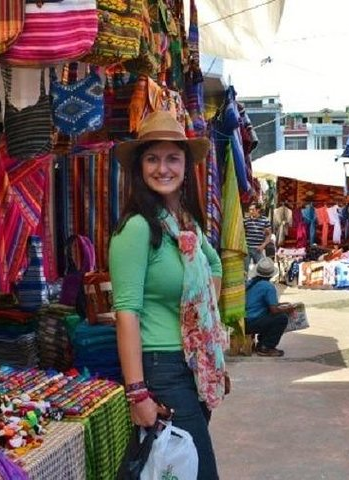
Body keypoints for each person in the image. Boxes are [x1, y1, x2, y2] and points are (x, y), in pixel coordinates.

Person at [109, 111, 227, 480]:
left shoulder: (185, 225)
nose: (163, 168)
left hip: (192, 365)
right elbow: (126, 313)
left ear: (186, 165)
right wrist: (138, 393)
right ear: (140, 167)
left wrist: (205, 338)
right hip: (161, 370)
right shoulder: (138, 228)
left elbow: (216, 269)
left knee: (171, 471)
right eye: (152, 158)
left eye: (172, 158)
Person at [245, 257, 296, 357]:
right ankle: (266, 347)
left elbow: (263, 304)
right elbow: (274, 310)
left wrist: (282, 305)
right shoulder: (268, 287)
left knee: (271, 316)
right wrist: (288, 309)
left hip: (245, 321)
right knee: (281, 318)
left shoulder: (251, 283)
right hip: (252, 322)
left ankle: (262, 344)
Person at [243, 203, 272, 274]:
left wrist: (263, 245)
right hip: (247, 248)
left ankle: (258, 284)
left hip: (258, 249)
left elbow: (269, 235)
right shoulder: (246, 221)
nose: (250, 211)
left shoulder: (265, 220)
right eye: (249, 210)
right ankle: (245, 284)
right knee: (244, 270)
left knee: (260, 269)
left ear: (258, 210)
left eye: (252, 210)